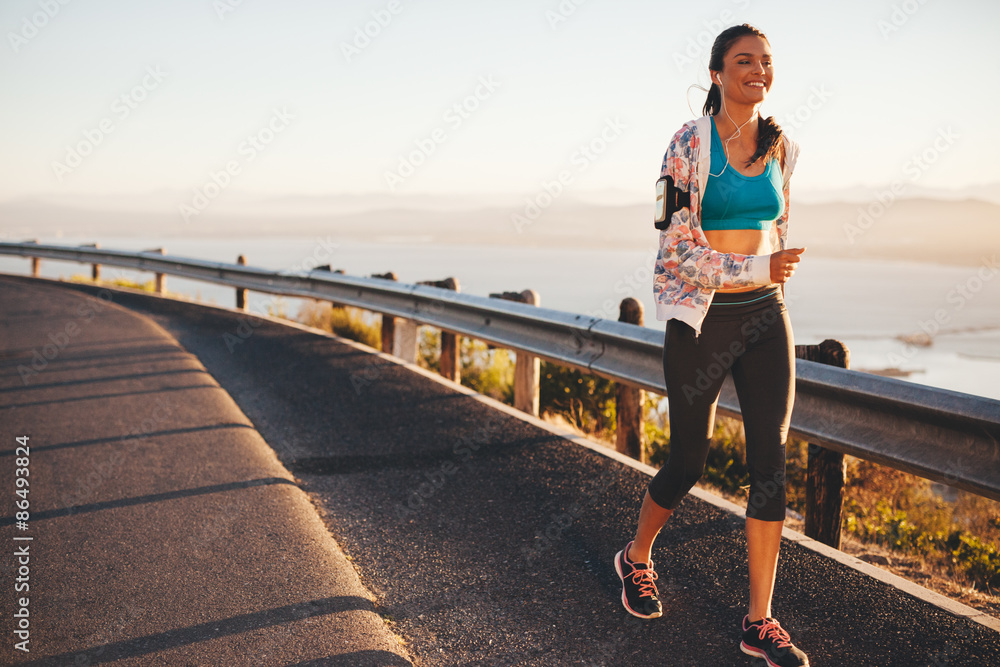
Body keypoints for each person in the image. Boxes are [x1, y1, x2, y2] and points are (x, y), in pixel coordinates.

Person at [612, 24, 810, 667]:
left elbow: (774, 231)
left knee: (770, 463)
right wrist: (755, 271)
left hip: (765, 318)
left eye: (766, 62)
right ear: (717, 73)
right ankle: (636, 556)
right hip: (700, 319)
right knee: (688, 460)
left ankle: (760, 620)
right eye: (744, 61)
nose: (758, 70)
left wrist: (767, 276)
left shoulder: (783, 148)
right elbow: (675, 249)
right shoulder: (687, 145)